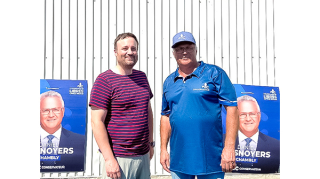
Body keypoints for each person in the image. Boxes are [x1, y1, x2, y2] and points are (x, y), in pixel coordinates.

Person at [160, 31, 239, 179]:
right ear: (173, 53)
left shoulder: (214, 73)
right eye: (179, 49)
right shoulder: (169, 82)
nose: (184, 52)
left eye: (188, 47)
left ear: (196, 50)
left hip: (210, 156)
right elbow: (165, 116)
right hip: (179, 159)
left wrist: (229, 147)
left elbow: (232, 109)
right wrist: (163, 149)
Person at [89, 33, 154, 179]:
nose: (130, 52)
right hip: (118, 158)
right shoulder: (104, 80)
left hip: (142, 155)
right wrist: (109, 159)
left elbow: (148, 111)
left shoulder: (141, 77)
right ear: (115, 52)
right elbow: (96, 121)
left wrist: (151, 143)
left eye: (133, 48)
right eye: (125, 48)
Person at [40, 90, 86, 172]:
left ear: (63, 111)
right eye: (46, 110)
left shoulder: (80, 141)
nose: (51, 115)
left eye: (56, 110)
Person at [233, 95, 280, 173]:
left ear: (259, 116)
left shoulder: (277, 146)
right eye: (242, 114)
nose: (248, 119)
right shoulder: (221, 143)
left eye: (252, 114)